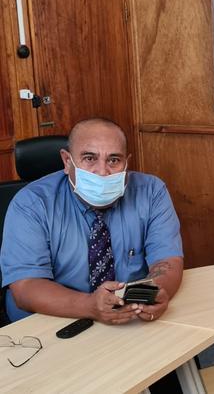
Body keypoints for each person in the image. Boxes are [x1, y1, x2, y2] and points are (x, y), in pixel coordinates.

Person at [0, 118, 183, 325]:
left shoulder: (151, 192)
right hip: (47, 322)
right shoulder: (32, 203)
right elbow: (25, 287)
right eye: (89, 158)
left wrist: (154, 293)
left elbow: (167, 261)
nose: (103, 171)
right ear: (67, 162)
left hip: (127, 316)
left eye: (114, 160)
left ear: (126, 163)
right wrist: (90, 306)